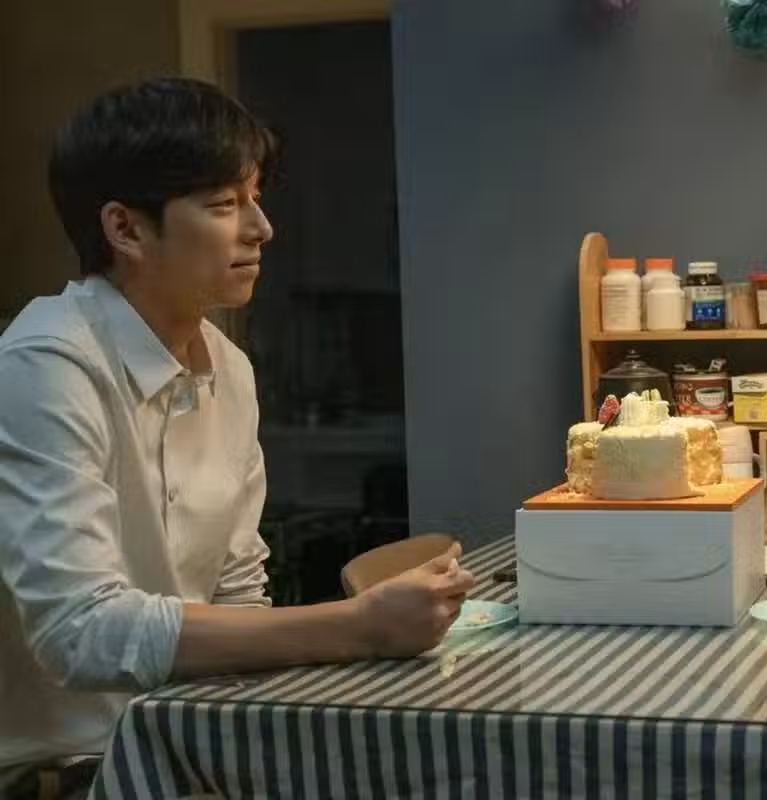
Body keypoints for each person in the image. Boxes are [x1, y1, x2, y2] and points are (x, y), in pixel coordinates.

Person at [0, 78, 474, 795]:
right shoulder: (48, 362)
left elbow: (238, 592)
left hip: (191, 742)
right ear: (126, 229)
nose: (261, 228)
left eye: (254, 197)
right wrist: (355, 626)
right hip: (69, 773)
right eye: (224, 205)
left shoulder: (228, 368)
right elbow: (79, 630)